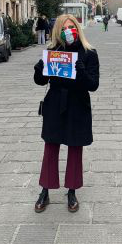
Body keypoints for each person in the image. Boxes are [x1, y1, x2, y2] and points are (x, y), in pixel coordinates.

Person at [33, 14, 100, 213]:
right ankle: (45, 189)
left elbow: (93, 85)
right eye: (64, 28)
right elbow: (42, 82)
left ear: (78, 29)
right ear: (58, 31)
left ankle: (72, 190)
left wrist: (81, 71)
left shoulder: (89, 53)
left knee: (75, 147)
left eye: (72, 27)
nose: (68, 31)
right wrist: (39, 70)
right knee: (51, 146)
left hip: (78, 104)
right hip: (55, 103)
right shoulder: (53, 51)